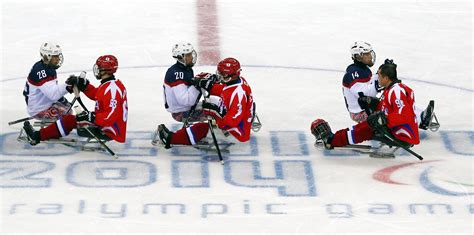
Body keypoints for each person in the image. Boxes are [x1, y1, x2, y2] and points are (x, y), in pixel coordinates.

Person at [22, 55, 128, 145]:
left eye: (99, 68)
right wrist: (84, 85)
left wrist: (91, 116)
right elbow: (97, 95)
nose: (97, 71)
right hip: (108, 125)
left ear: (106, 71)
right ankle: (52, 132)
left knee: (69, 120)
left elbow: (111, 116)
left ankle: (36, 136)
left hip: (109, 130)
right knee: (71, 117)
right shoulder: (110, 85)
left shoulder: (112, 90)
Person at [312, 61, 419, 149]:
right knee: (368, 123)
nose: (378, 79)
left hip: (402, 135)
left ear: (386, 78)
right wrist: (374, 104)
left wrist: (384, 118)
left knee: (365, 128)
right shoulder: (394, 89)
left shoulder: (396, 91)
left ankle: (332, 140)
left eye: (379, 76)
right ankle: (337, 137)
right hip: (401, 131)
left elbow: (403, 115)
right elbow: (389, 108)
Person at [157, 57, 254, 148]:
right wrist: (209, 85)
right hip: (238, 119)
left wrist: (214, 112)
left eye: (223, 74)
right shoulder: (237, 81)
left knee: (201, 128)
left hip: (237, 132)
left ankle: (170, 139)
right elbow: (226, 91)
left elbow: (230, 123)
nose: (219, 76)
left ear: (233, 75)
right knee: (209, 104)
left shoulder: (238, 95)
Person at [343, 41, 437, 131]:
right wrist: (380, 82)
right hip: (360, 113)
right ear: (358, 57)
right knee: (392, 107)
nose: (370, 56)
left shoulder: (362, 70)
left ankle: (422, 116)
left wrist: (384, 70)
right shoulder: (353, 74)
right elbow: (363, 94)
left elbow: (371, 83)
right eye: (367, 54)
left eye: (369, 53)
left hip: (369, 106)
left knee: (397, 101)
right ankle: (421, 120)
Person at [23, 42, 72, 120]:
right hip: (38, 109)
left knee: (68, 108)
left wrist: (63, 99)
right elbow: (53, 95)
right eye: (55, 56)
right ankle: (50, 132)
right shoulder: (41, 71)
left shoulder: (47, 67)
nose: (58, 59)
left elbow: (52, 90)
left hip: (42, 103)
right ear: (46, 57)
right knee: (67, 116)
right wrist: (68, 87)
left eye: (58, 56)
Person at [163, 42, 206, 123]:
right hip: (181, 112)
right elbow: (186, 101)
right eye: (188, 55)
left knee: (215, 106)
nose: (191, 57)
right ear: (180, 57)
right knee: (216, 112)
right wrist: (198, 84)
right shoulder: (177, 74)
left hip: (183, 108)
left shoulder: (185, 69)